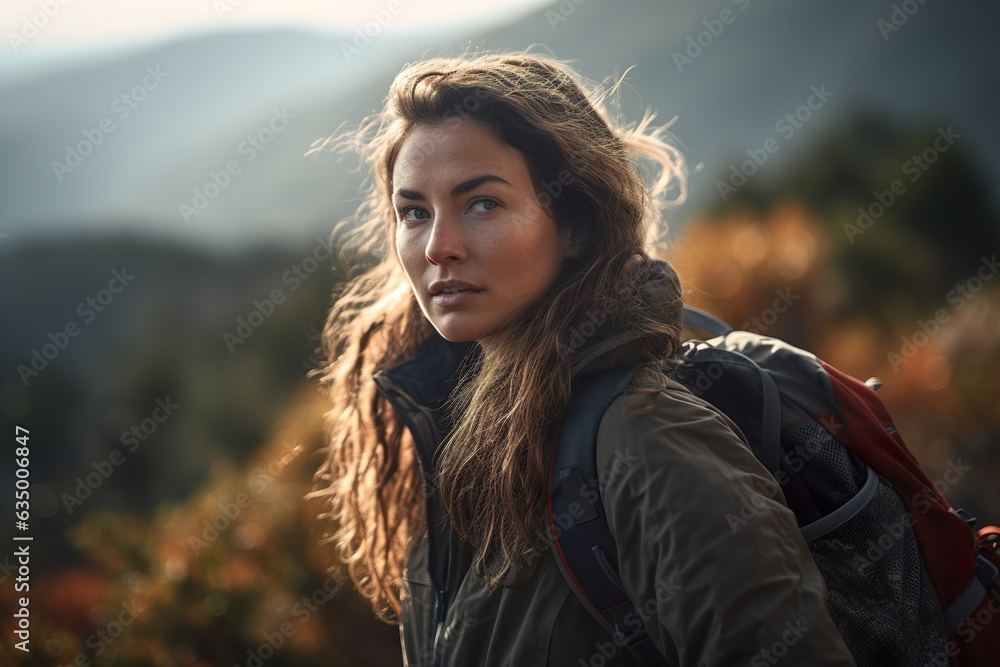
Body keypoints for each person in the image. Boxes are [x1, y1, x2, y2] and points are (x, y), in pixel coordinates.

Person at [309, 50, 857, 666]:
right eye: (414, 212)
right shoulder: (459, 432)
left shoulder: (648, 437)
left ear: (574, 224)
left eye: (482, 203)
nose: (440, 247)